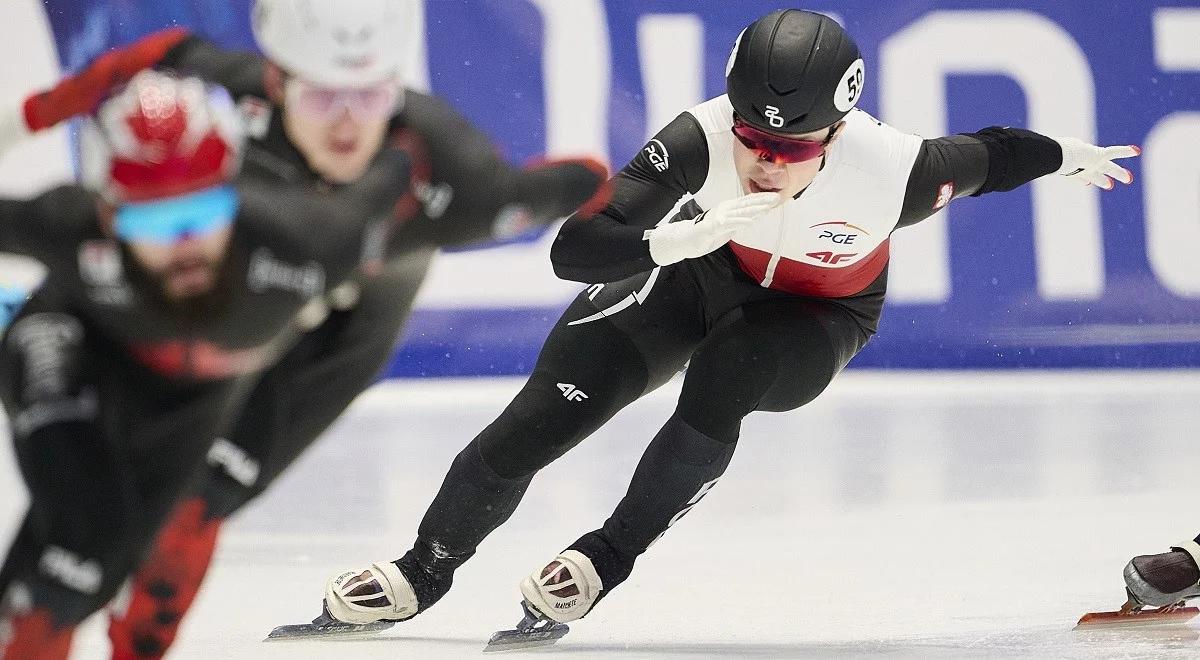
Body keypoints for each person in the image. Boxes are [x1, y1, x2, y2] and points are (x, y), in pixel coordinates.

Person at [315, 8, 1140, 635]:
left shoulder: (898, 172)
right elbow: (576, 251)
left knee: (730, 368)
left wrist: (1068, 155)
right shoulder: (698, 138)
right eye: (753, 138)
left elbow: (995, 154)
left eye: (794, 149)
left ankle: (606, 557)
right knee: (553, 403)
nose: (765, 161)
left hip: (817, 314)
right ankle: (424, 568)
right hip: (699, 270)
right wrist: (671, 239)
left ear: (840, 130)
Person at [0, 1, 608, 656]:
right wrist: (31, 116)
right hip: (223, 287)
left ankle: (139, 630)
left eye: (372, 96)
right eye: (321, 99)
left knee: (199, 500)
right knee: (89, 533)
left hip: (343, 280)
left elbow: (562, 187)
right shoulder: (225, 105)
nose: (347, 122)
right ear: (276, 82)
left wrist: (641, 192)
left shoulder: (438, 172)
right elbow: (156, 55)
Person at [0, 69, 418, 659]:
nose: (184, 243)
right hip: (68, 346)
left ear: (236, 192)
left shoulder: (307, 240)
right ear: (107, 213)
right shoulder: (67, 226)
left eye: (204, 210)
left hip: (192, 383)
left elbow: (440, 185)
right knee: (83, 547)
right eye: (152, 222)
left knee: (151, 525)